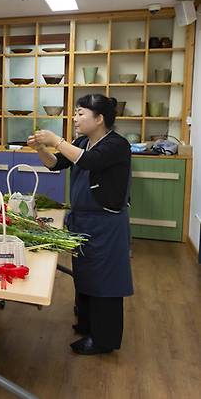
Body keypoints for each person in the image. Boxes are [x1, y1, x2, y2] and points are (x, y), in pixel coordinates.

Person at [27, 94, 133, 356]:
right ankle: (86, 324)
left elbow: (90, 161)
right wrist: (41, 148)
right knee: (85, 274)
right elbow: (56, 164)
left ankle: (103, 340)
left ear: (99, 119)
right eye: (75, 113)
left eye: (81, 113)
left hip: (106, 223)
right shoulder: (83, 141)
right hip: (83, 220)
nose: (75, 118)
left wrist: (57, 141)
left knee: (105, 281)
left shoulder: (117, 145)